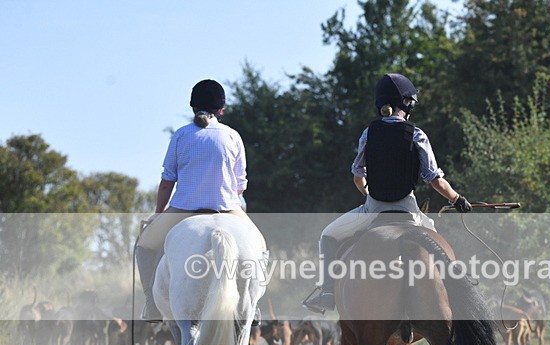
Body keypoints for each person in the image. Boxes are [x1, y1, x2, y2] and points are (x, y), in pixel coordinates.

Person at [303, 73, 472, 313]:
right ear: (408, 103)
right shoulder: (417, 134)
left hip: (373, 211)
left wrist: (368, 192)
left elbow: (358, 175)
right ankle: (457, 293)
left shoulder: (368, 134)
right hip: (409, 213)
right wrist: (457, 199)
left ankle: (328, 291)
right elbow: (435, 180)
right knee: (440, 248)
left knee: (327, 236)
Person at [135, 79, 264, 322]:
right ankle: (253, 305)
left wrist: (158, 212)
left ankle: (151, 305)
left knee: (144, 246)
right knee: (260, 246)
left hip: (184, 210)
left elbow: (166, 181)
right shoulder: (233, 136)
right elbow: (240, 185)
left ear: (193, 107)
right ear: (221, 110)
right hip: (227, 210)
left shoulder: (181, 135)